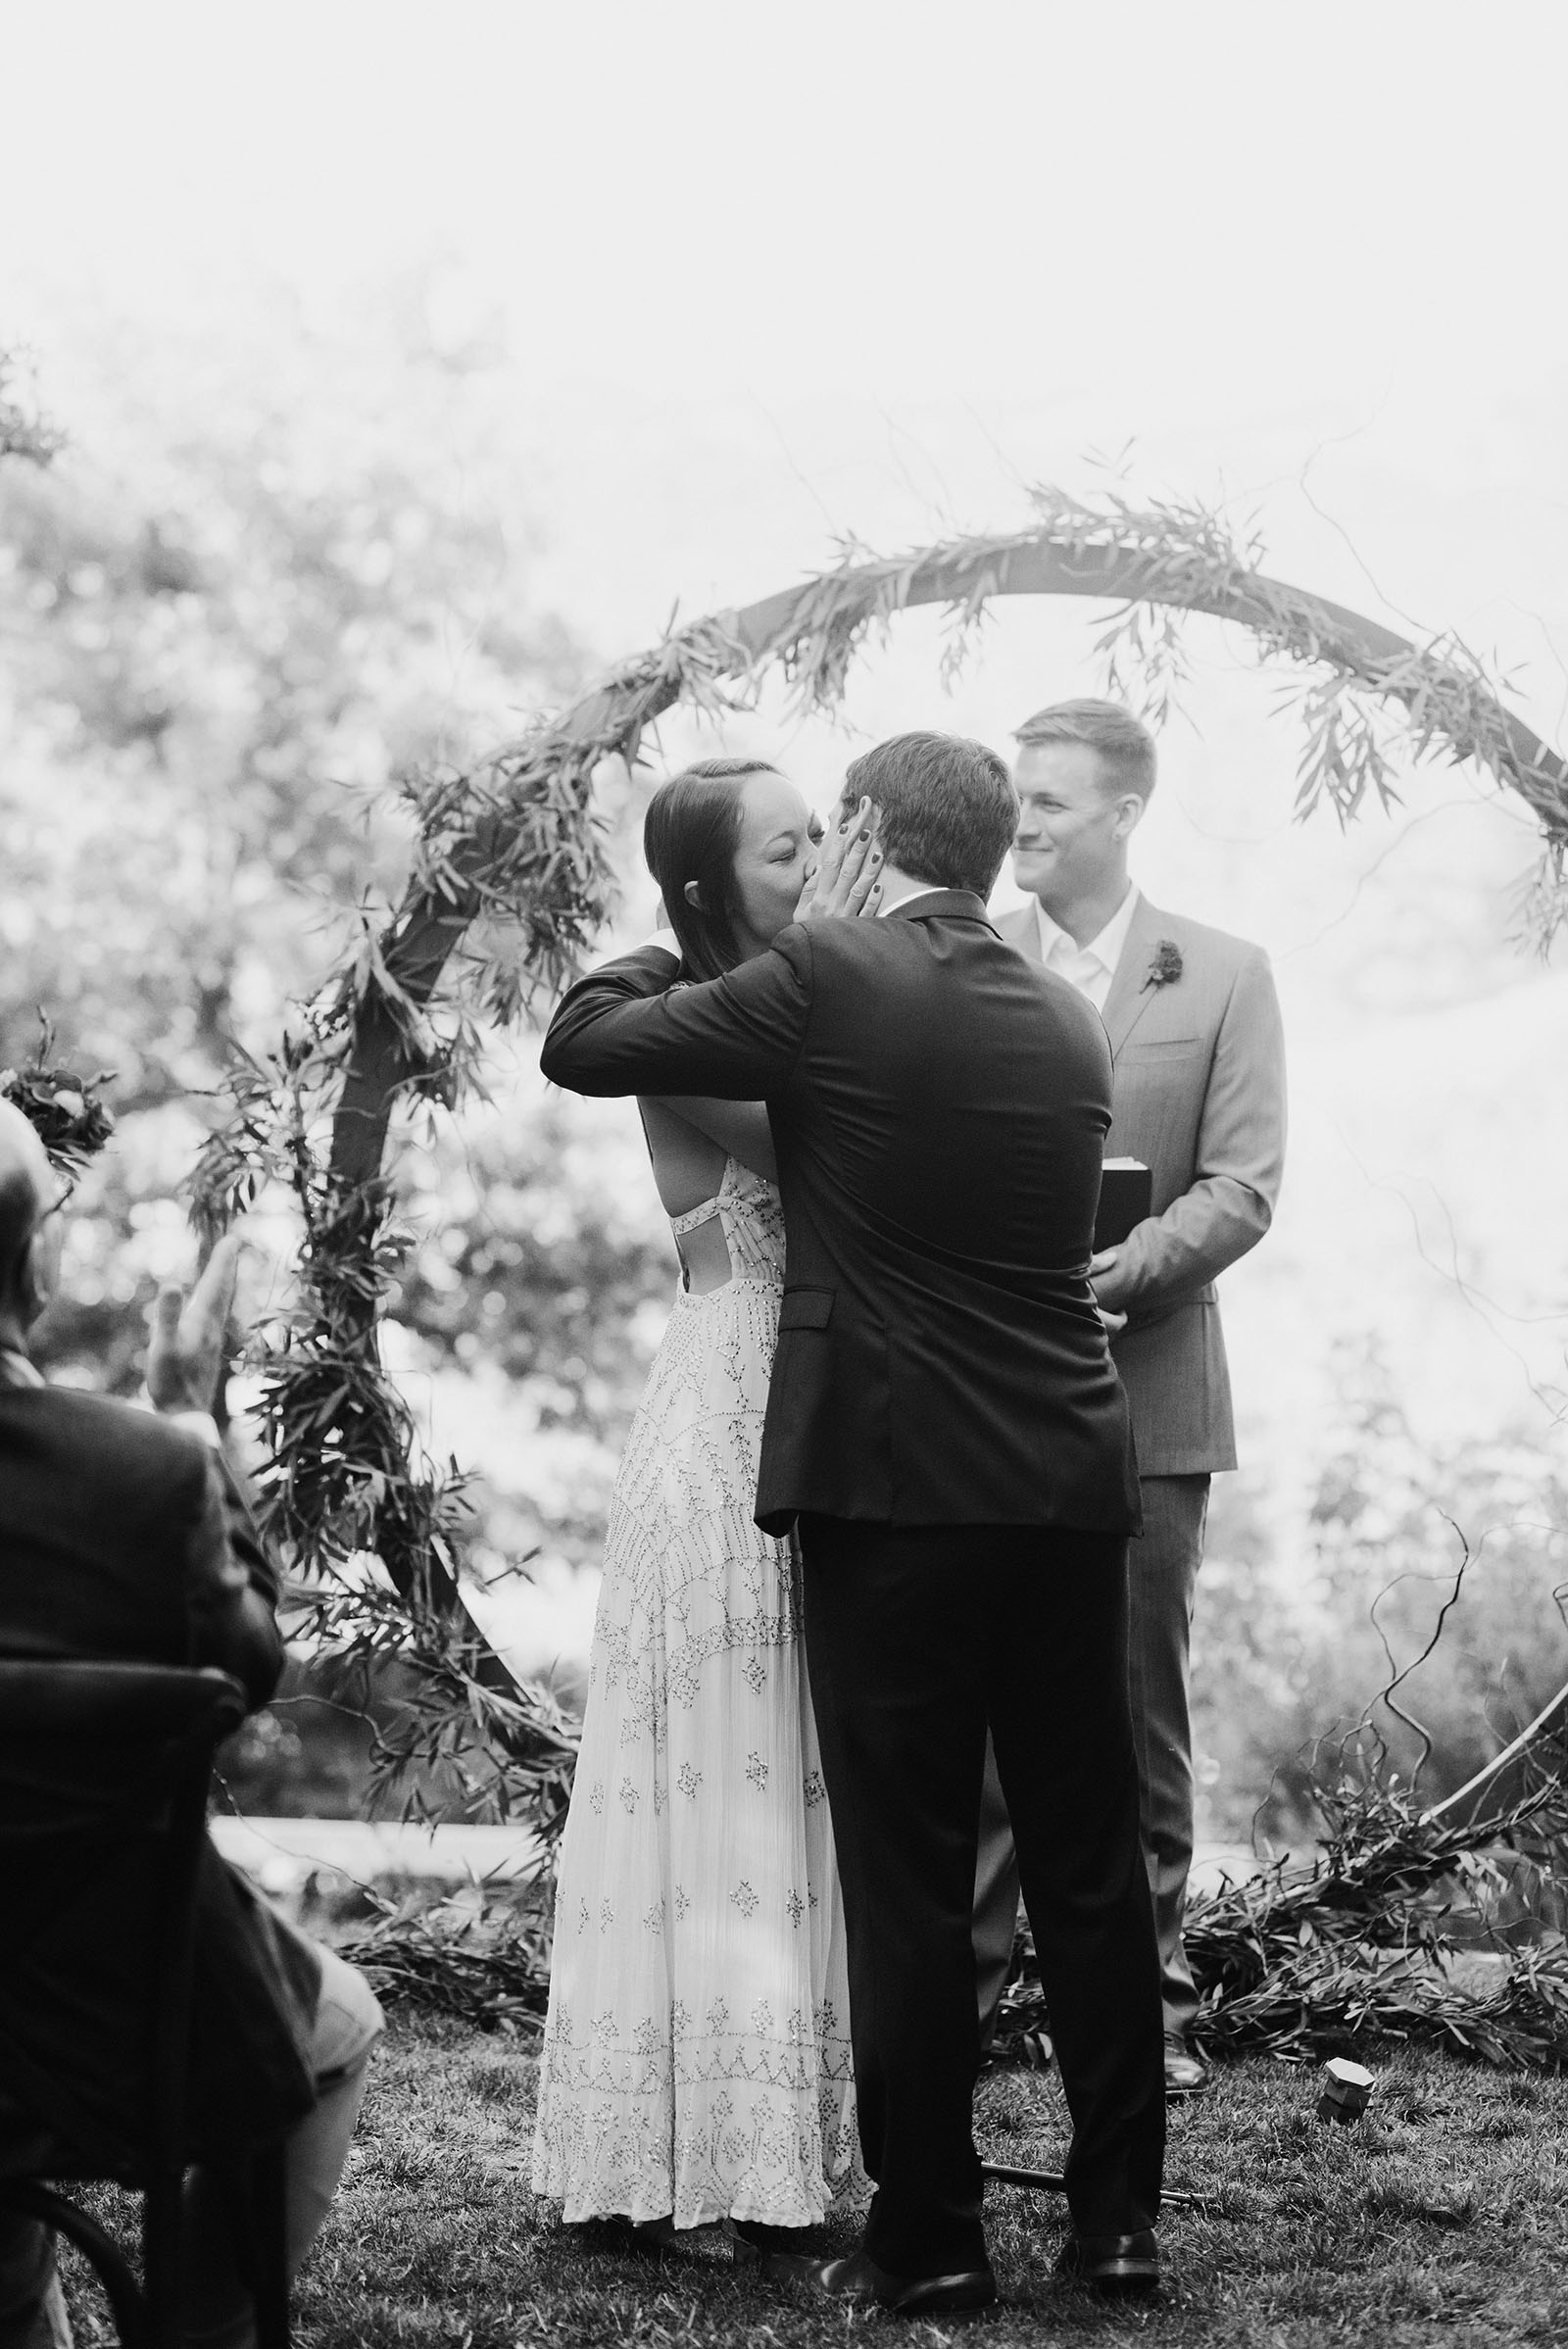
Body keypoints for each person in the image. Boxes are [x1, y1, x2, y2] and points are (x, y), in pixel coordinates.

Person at [541, 731, 1166, 2317]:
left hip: (899, 1487)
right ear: (993, 848)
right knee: (1092, 1868)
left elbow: (588, 1041)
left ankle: (936, 2232)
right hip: (1073, 1481)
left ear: (874, 832)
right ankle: (1117, 2227)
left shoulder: (828, 979)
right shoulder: (1065, 1017)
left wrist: (686, 922)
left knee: (907, 1873)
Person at [524, 758, 881, 2246]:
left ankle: (783, 2141)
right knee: (719, 1753)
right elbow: (827, 1139)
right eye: (792, 846)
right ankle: (690, 2164)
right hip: (728, 1403)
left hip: (828, 1407)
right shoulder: (674, 1025)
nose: (820, 860)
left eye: (824, 836)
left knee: (793, 1752)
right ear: (705, 884)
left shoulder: (813, 994)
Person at [0, 1101, 383, 2349]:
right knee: (339, 2027)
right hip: (95, 2027)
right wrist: (192, 1420)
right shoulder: (138, 1477)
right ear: (36, 1263)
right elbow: (246, 1663)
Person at [975, 698, 1287, 2095]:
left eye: (1046, 801)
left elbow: (1245, 1183)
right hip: (977, 1398)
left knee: (1132, 1707)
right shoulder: (965, 962)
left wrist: (1126, 1269)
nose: (1020, 823)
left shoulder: (1221, 972)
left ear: (1122, 814)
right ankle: (968, 2005)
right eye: (1014, 799)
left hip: (1151, 1392)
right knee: (974, 1703)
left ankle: (1147, 2012)